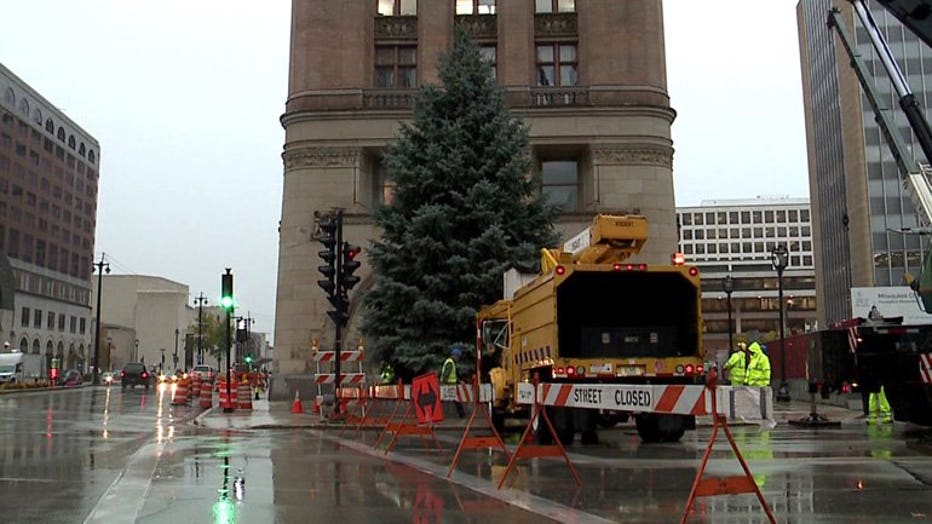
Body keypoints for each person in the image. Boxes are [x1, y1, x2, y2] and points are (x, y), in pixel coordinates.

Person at [441, 347, 465, 418]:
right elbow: (446, 375)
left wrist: (459, 381)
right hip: (449, 385)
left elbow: (453, 376)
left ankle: (462, 414)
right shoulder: (450, 363)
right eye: (458, 357)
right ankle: (462, 414)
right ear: (455, 356)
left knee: (454, 399)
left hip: (450, 384)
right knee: (457, 399)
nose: (458, 359)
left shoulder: (451, 362)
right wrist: (445, 384)